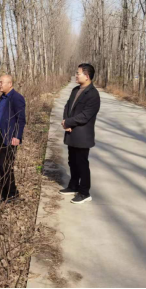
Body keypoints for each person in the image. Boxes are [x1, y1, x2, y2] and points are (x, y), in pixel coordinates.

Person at [59, 64, 101, 204]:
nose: (76, 75)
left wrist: (69, 122)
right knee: (72, 161)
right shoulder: (75, 90)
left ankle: (84, 192)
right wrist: (66, 122)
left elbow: (85, 116)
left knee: (82, 163)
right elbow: (67, 106)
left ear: (87, 76)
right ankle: (73, 185)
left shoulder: (93, 94)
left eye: (78, 73)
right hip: (71, 131)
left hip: (82, 134)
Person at [0, 75, 26, 205]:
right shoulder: (2, 97)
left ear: (10, 84)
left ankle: (11, 194)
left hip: (10, 138)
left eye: (1, 82)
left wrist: (17, 136)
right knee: (0, 165)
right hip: (0, 137)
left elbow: (21, 119)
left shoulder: (17, 98)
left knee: (6, 166)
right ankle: (6, 194)